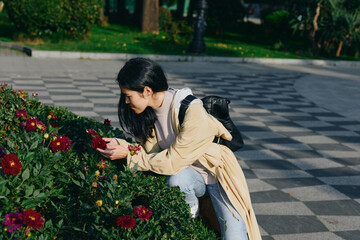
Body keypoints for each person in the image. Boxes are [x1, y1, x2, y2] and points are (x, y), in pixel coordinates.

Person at [97, 58, 261, 240]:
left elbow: (172, 162)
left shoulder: (191, 110)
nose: (126, 101)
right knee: (178, 179)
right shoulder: (148, 113)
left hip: (218, 176)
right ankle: (191, 221)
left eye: (128, 96)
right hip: (190, 176)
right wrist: (124, 147)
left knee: (234, 237)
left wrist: (131, 157)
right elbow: (151, 154)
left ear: (147, 91)